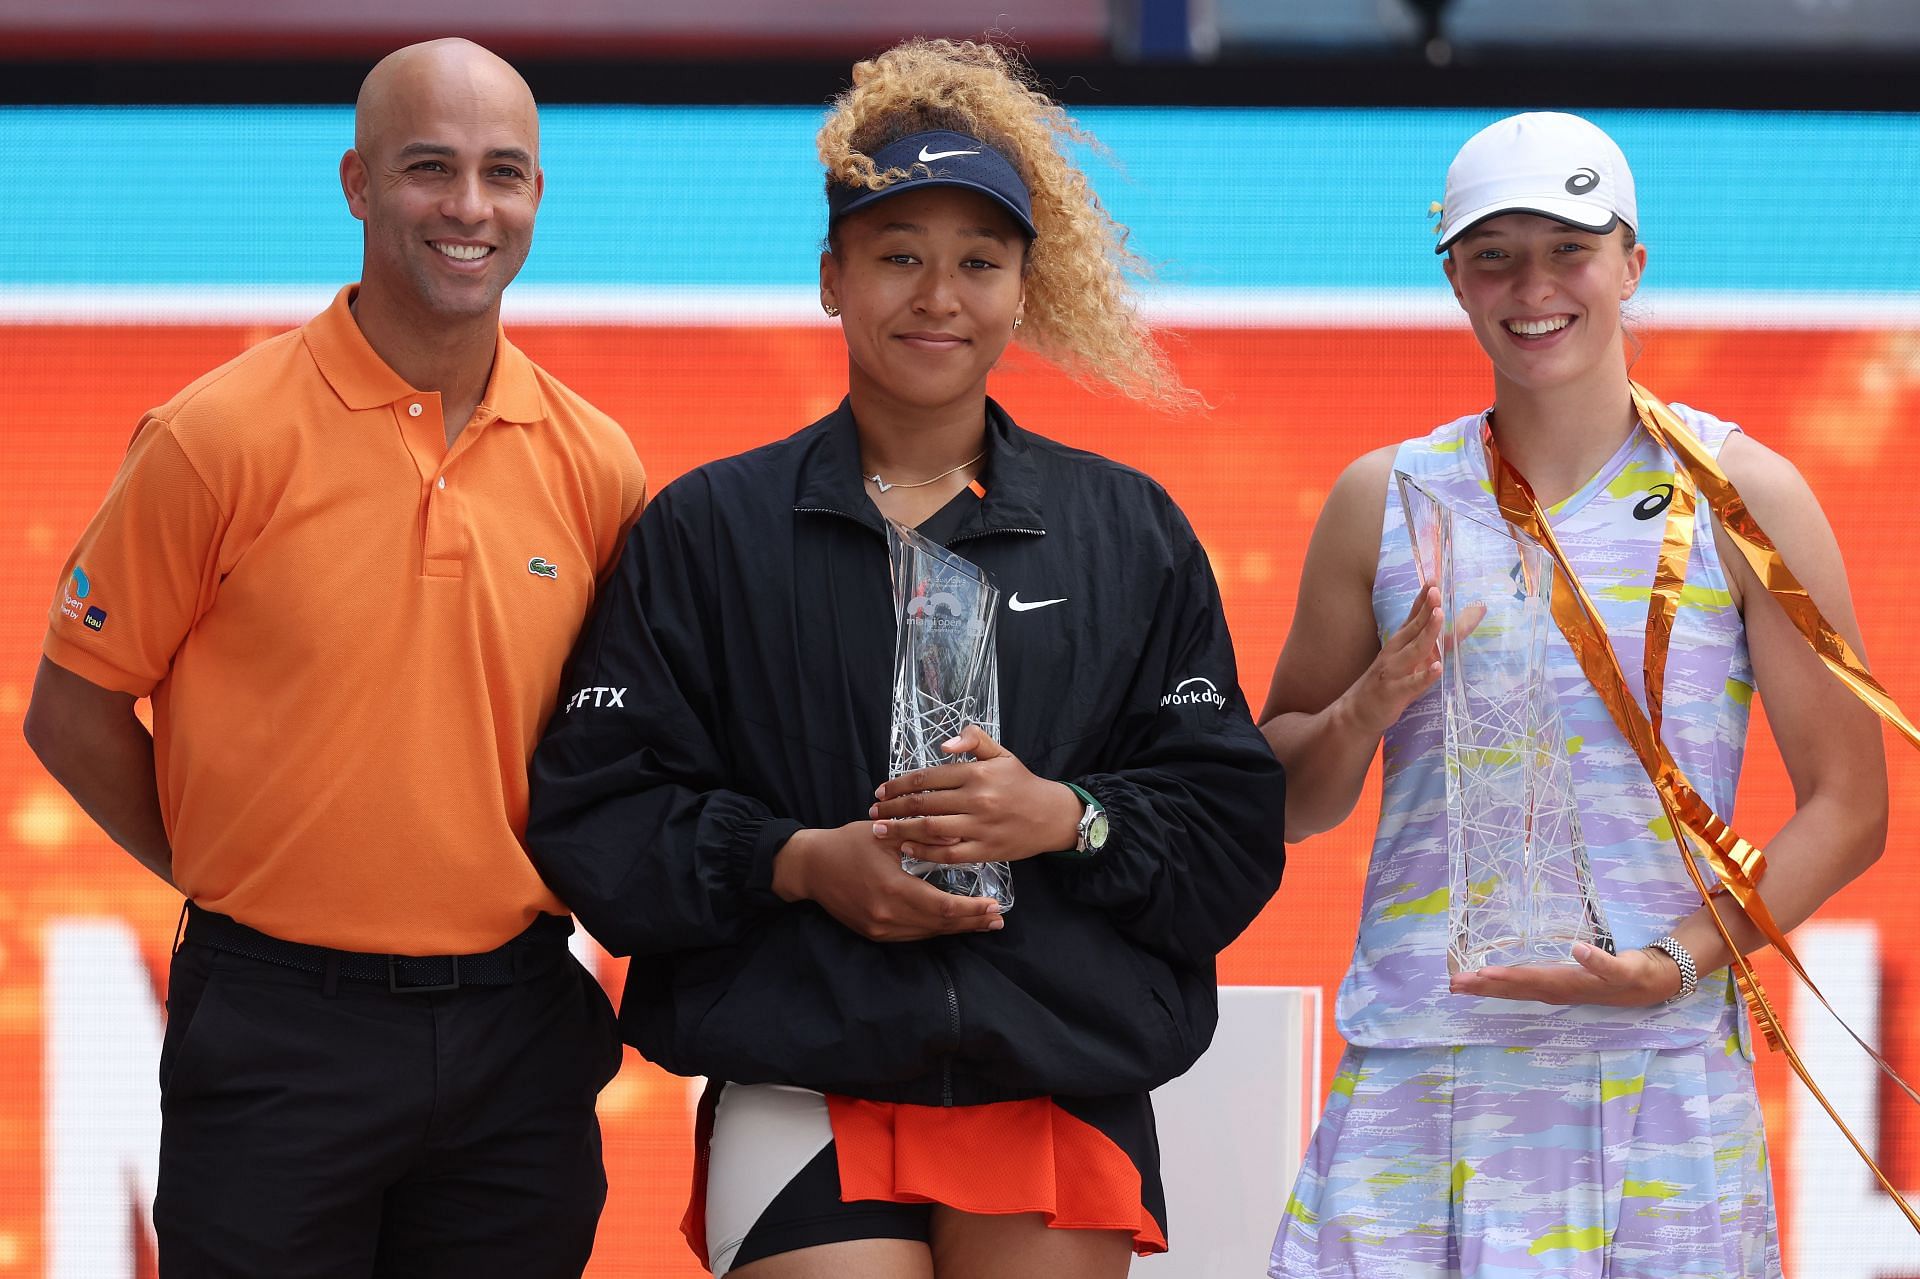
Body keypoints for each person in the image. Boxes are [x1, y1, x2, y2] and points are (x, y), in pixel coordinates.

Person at [527, 37, 1287, 1279]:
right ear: (832, 278)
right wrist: (795, 863)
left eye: (978, 262)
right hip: (804, 1063)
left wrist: (1069, 818)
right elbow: (600, 805)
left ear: (1023, 287)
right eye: (897, 257)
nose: (938, 295)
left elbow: (1227, 822)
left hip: (1055, 1068)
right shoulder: (709, 527)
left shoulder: (1128, 529)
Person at [23, 38, 644, 1277]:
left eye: (503, 174)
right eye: (431, 169)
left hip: (520, 1026)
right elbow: (71, 709)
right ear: (357, 183)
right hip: (275, 1033)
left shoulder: (597, 465)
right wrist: (222, 864)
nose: (470, 208)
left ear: (537, 198)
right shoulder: (217, 439)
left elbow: (626, 743)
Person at [1263, 111, 1887, 1278]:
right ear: (1452, 275)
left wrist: (1677, 962)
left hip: (1656, 1079)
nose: (1532, 285)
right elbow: (1283, 796)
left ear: (1631, 263)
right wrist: (1368, 703)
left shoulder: (1744, 493)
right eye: (1494, 252)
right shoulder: (1384, 496)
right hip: (1420, 1071)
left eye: (1570, 248)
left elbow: (1851, 805)